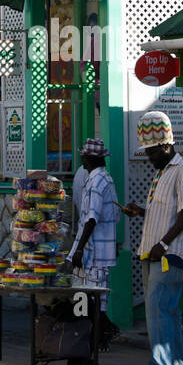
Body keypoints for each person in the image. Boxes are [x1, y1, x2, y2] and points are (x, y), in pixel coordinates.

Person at [123, 110, 183, 365]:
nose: (148, 157)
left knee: (158, 312)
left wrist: (164, 244)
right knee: (167, 313)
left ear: (166, 145)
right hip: (153, 252)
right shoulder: (162, 173)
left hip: (168, 254)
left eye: (152, 151)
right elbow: (167, 213)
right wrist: (141, 211)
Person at [69, 138, 120, 344]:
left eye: (83, 155)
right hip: (93, 250)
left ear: (90, 158)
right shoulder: (95, 178)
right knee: (84, 296)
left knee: (95, 298)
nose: (81, 158)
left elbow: (92, 218)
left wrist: (79, 250)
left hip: (96, 252)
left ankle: (102, 334)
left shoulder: (98, 181)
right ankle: (92, 336)